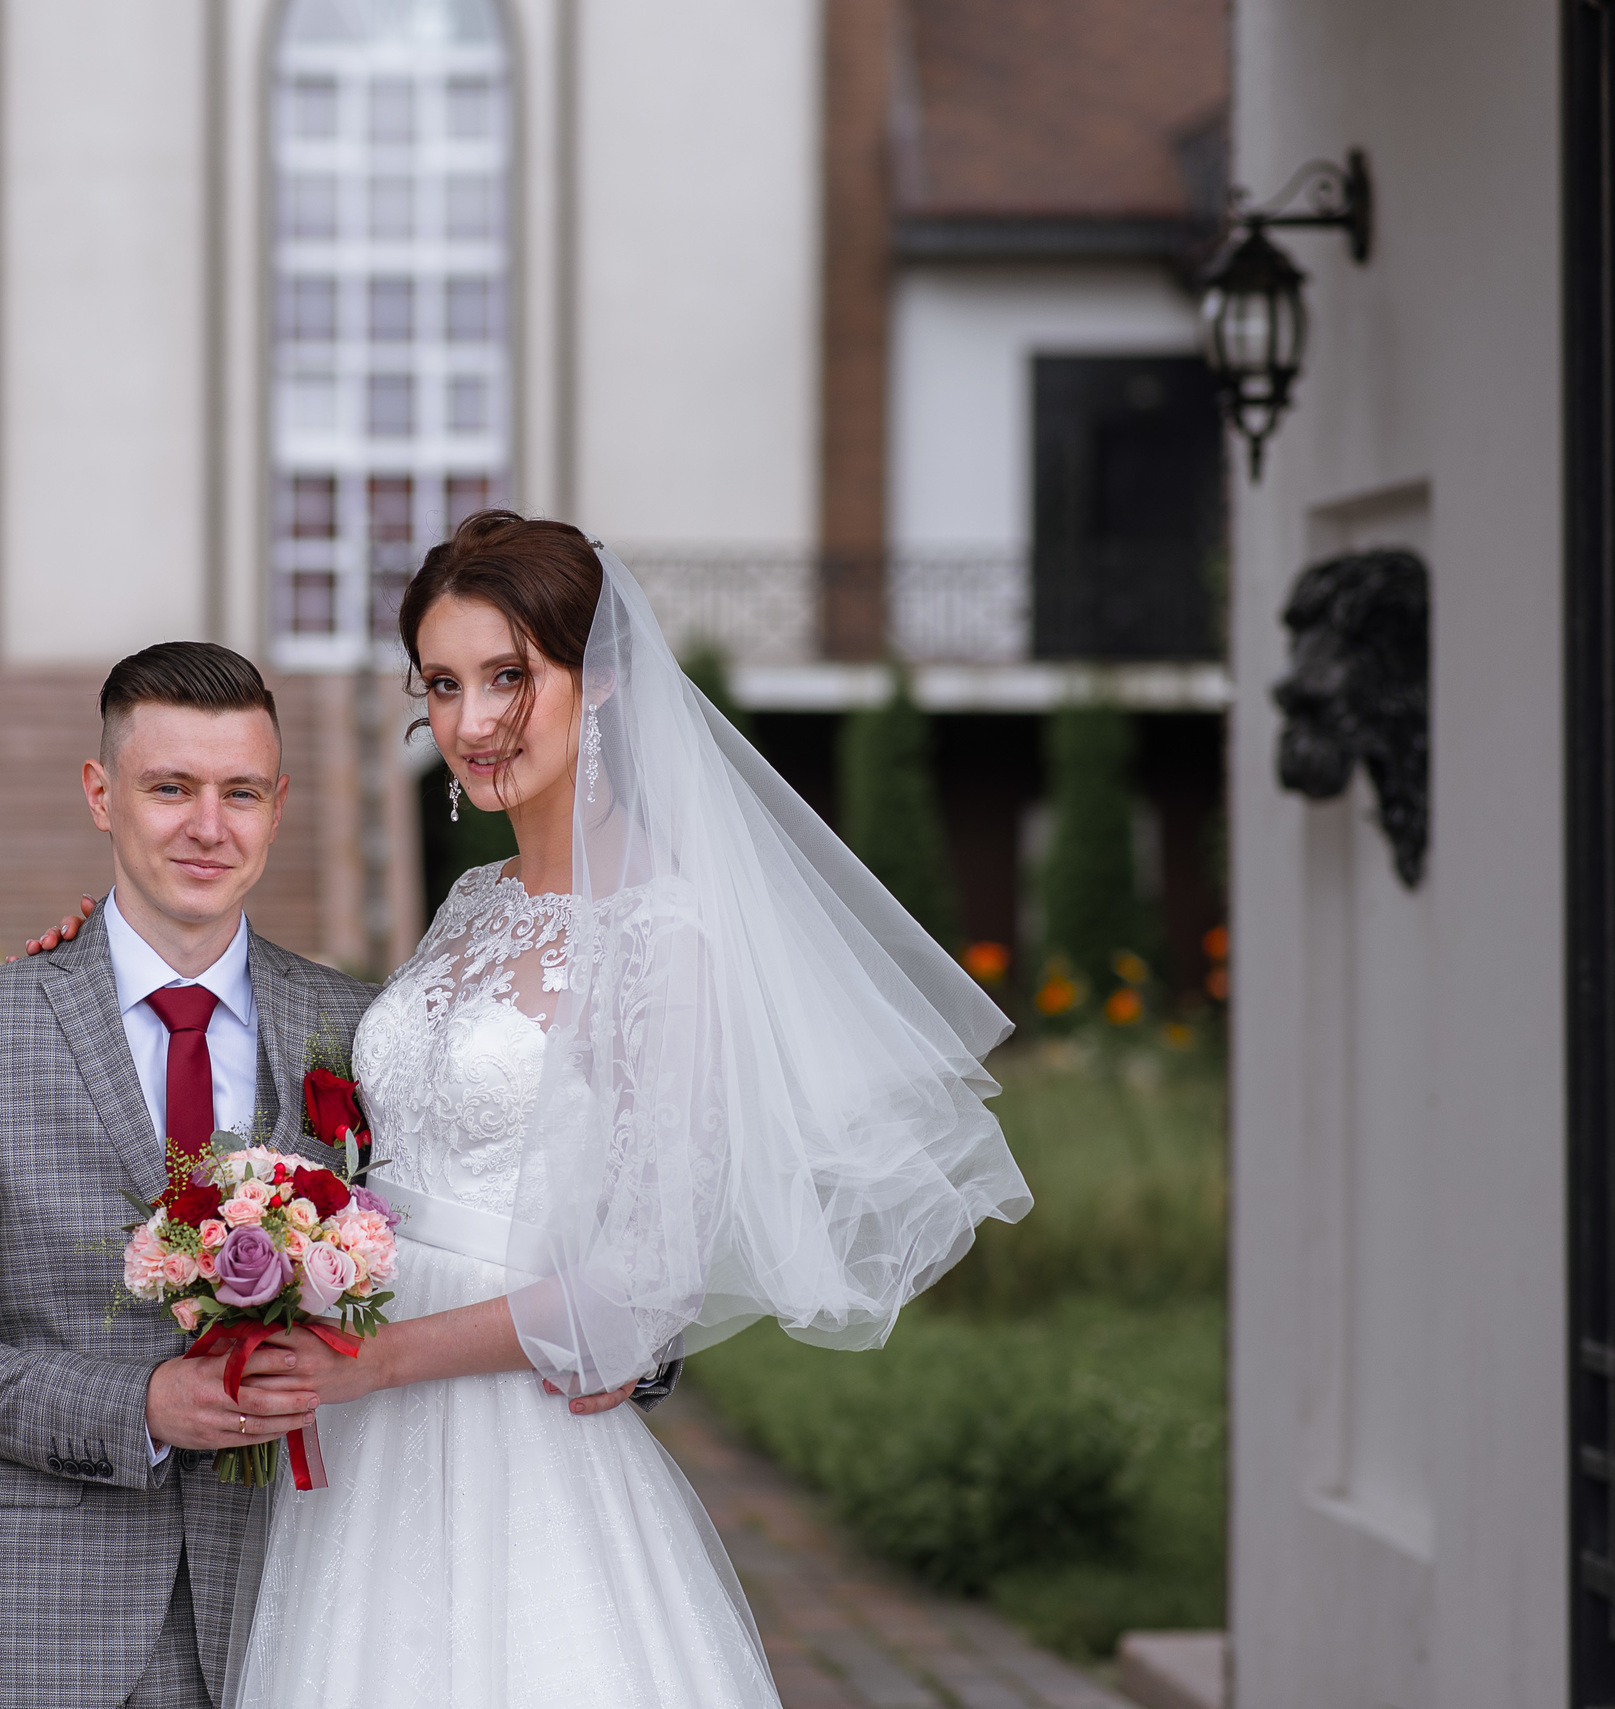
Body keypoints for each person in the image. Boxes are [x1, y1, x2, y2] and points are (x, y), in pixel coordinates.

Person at [219, 512, 1033, 1707]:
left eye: (509, 676)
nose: (471, 722)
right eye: (441, 684)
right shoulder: (473, 900)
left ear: (597, 680)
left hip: (502, 1427)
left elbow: (642, 1279)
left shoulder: (663, 931)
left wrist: (375, 1358)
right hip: (363, 1428)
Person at [0, 642, 374, 1709]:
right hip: (29, 1612)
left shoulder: (358, 1029)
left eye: (240, 792)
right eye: (169, 787)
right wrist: (136, 1404)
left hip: (291, 1608)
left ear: (278, 806)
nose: (208, 826)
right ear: (101, 794)